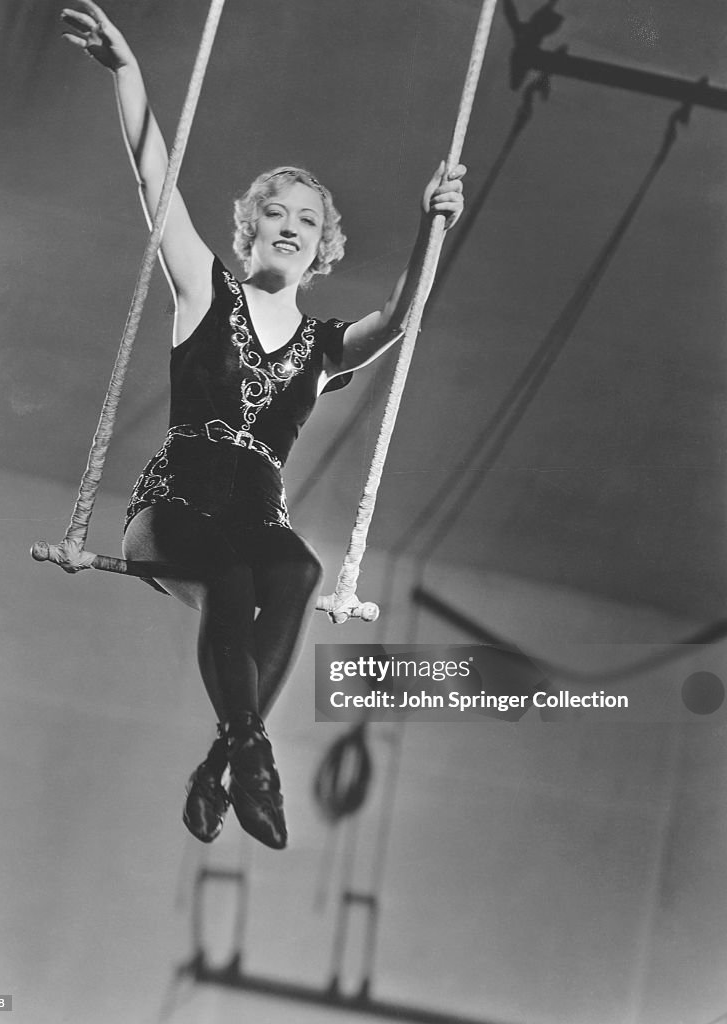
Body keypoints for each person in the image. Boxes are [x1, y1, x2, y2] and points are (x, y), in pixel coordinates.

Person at [61, 0, 465, 850]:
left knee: (294, 568)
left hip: (254, 522)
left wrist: (434, 227)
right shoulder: (205, 291)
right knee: (236, 581)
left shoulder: (323, 347)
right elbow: (154, 183)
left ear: (322, 251)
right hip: (172, 513)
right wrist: (127, 74)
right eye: (276, 211)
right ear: (251, 226)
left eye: (307, 220)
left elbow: (398, 319)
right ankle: (251, 758)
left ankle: (224, 762)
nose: (289, 225)